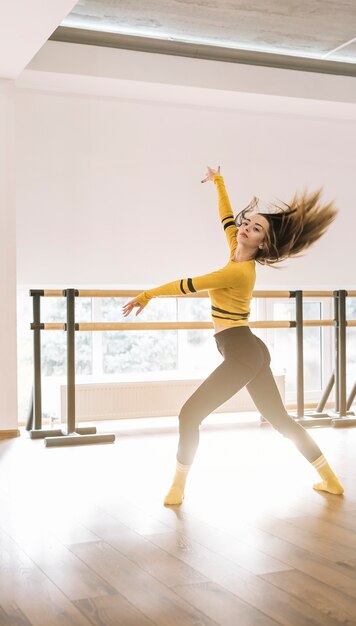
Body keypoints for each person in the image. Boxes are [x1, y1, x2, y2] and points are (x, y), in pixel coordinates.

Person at [122, 166, 344, 505]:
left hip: (243, 352)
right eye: (247, 223)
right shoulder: (235, 248)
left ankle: (178, 487)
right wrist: (219, 182)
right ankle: (331, 481)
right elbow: (226, 216)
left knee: (189, 415)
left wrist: (147, 295)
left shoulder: (236, 271)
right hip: (248, 347)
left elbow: (188, 285)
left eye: (255, 228)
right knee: (281, 420)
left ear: (263, 242)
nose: (245, 228)